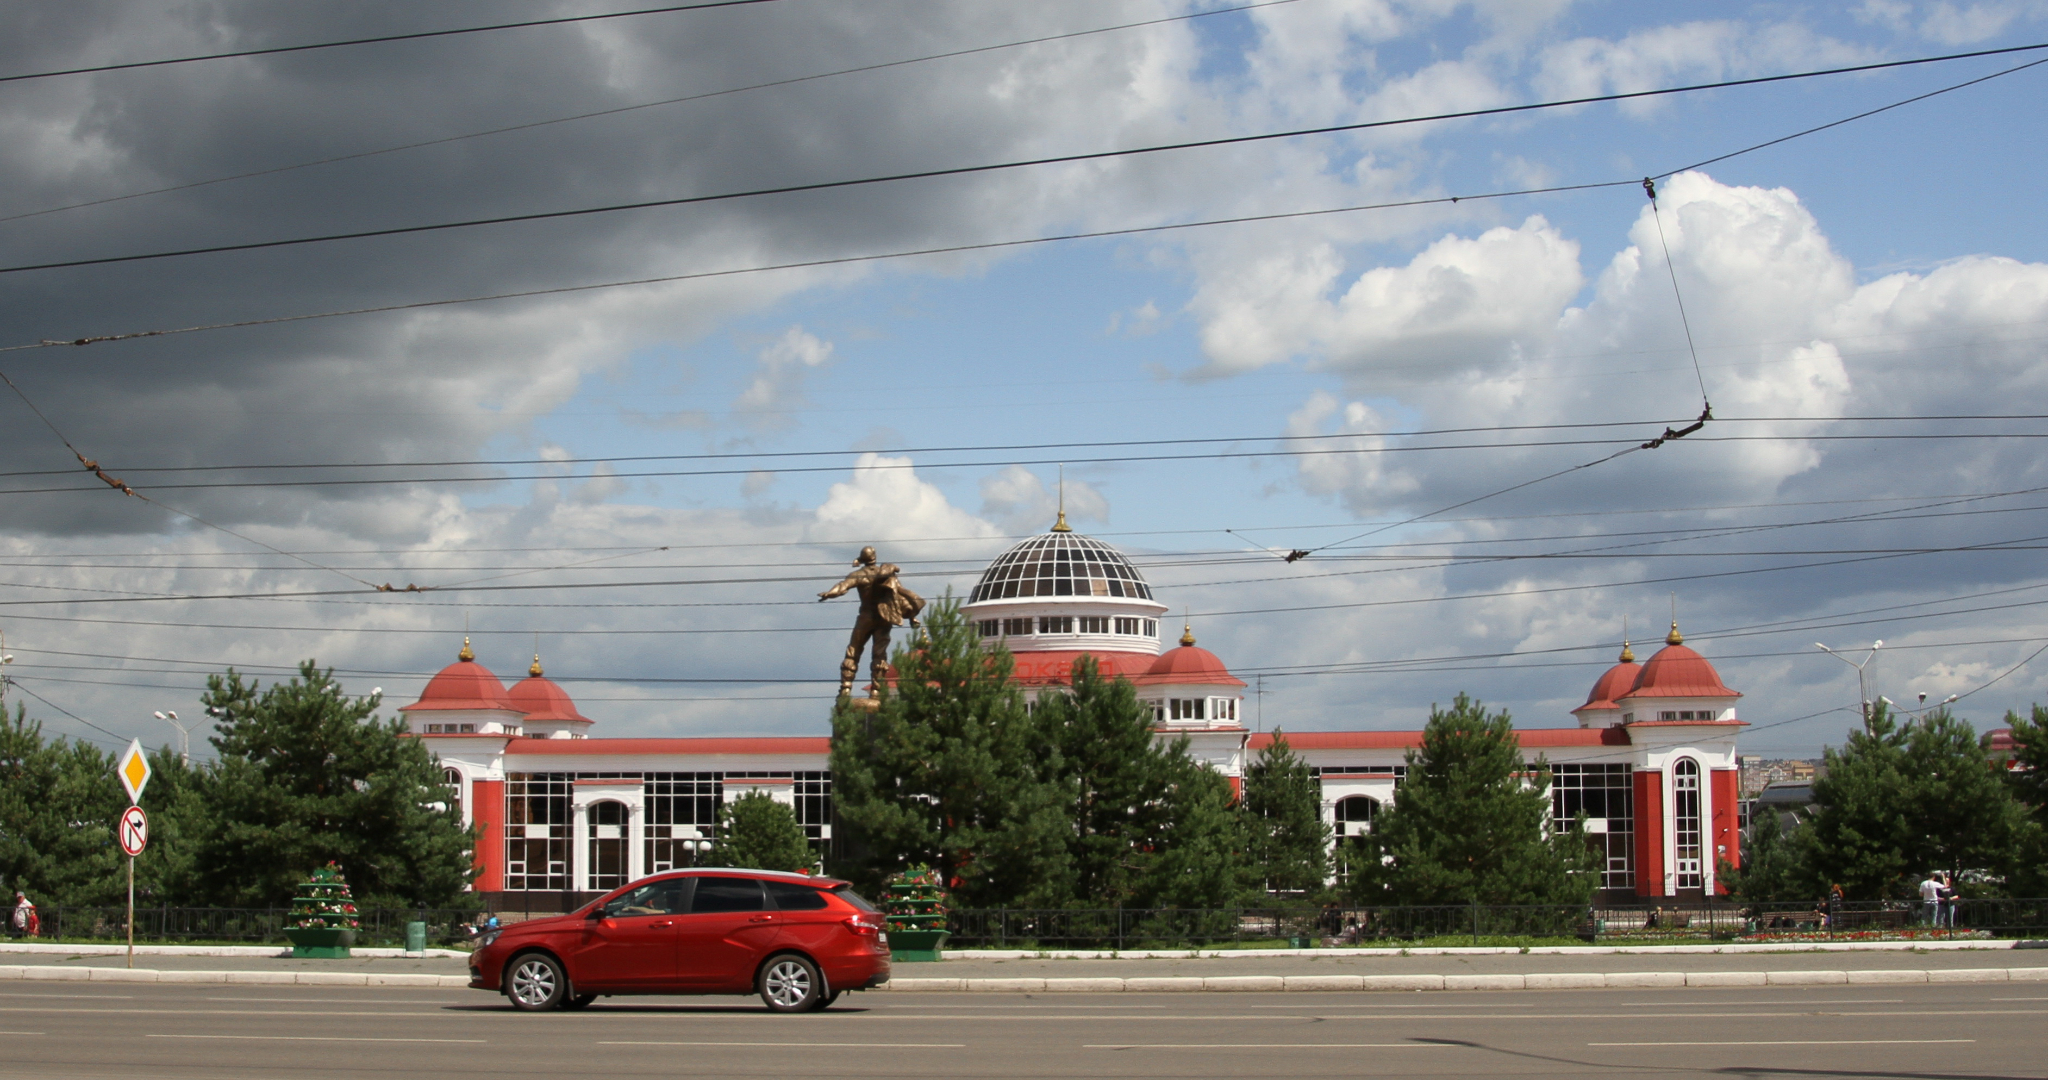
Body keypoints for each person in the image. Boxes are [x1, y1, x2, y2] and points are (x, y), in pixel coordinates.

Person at [818, 546, 925, 697]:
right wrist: (911, 614)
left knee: (853, 650)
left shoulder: (859, 575)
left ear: (862, 559)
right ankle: (876, 690)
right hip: (884, 617)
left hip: (866, 617)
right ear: (874, 558)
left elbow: (842, 587)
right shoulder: (887, 574)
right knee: (880, 654)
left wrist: (829, 593)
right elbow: (899, 594)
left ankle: (846, 688)